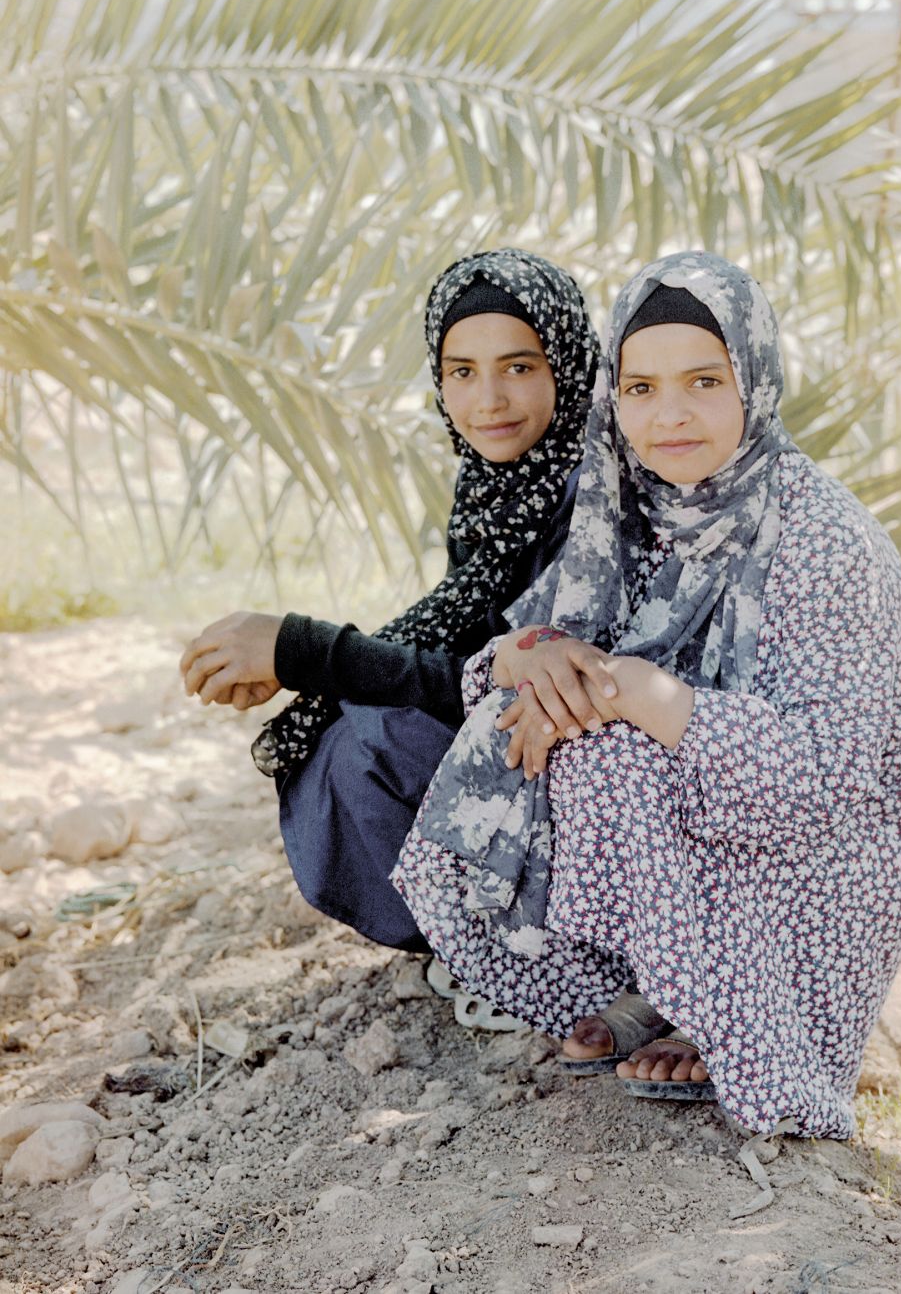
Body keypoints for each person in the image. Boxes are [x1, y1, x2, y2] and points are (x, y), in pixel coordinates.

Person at [389, 250, 901, 1139]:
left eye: (702, 380)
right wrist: (527, 662)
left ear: (756, 382)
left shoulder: (826, 537)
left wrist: (631, 688)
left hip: (848, 830)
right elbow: (508, 661)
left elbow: (825, 773)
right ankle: (654, 988)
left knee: (606, 731)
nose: (670, 415)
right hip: (712, 783)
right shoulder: (627, 502)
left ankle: (732, 1014)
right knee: (547, 720)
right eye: (641, 388)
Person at [179, 248, 603, 958]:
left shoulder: (597, 495)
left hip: (594, 774)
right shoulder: (498, 488)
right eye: (462, 372)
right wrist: (305, 665)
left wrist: (307, 650)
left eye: (520, 366)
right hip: (539, 766)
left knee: (374, 740)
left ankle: (528, 955)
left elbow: (519, 680)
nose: (488, 400)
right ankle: (480, 947)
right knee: (357, 722)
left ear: (567, 361)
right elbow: (470, 652)